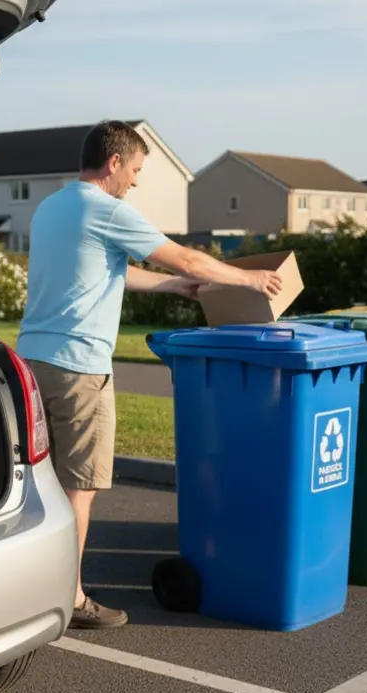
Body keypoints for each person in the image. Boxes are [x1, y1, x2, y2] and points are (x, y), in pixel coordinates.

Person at [17, 120, 283, 629]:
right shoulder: (107, 209)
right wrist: (248, 277)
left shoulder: (52, 208)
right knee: (78, 489)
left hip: (34, 360)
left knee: (42, 482)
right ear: (114, 163)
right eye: (136, 169)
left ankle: (34, 585)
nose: (136, 181)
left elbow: (108, 270)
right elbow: (187, 256)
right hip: (80, 369)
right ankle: (69, 597)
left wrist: (168, 287)